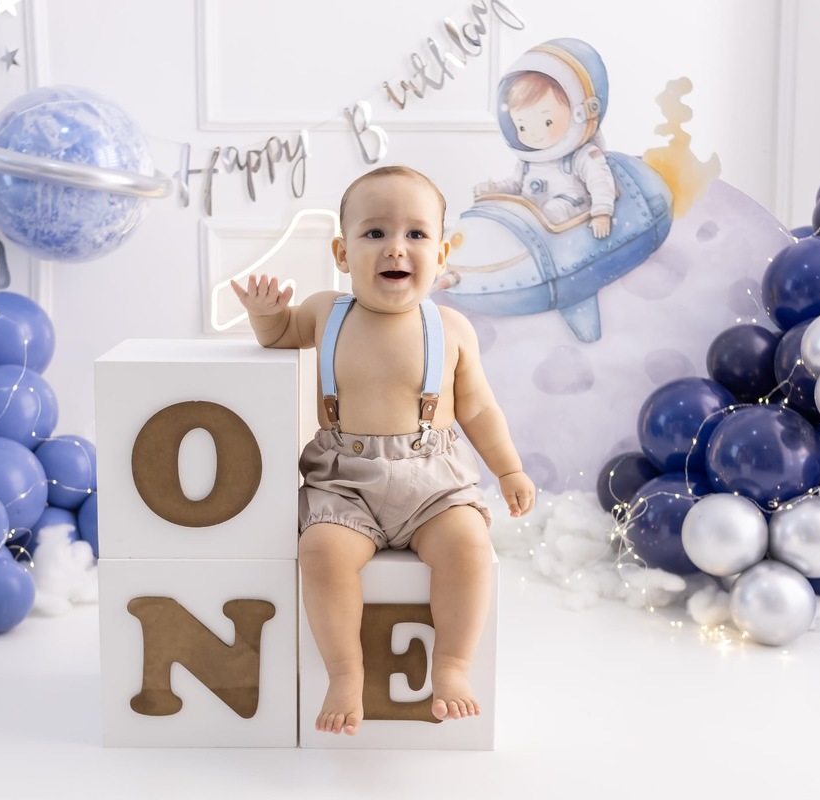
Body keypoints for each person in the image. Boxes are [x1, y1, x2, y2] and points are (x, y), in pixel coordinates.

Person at [232, 165, 536, 736]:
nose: (396, 247)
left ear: (442, 253)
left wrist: (510, 468)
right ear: (342, 252)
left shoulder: (452, 328)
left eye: (416, 234)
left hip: (433, 484)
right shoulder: (326, 312)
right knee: (321, 552)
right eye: (374, 233)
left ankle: (451, 666)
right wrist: (266, 313)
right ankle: (346, 672)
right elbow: (276, 336)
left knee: (469, 548)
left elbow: (479, 410)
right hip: (345, 482)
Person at [474, 40, 616, 240]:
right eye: (522, 126)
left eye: (547, 121)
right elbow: (515, 184)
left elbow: (600, 182)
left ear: (581, 112)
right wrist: (495, 190)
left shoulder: (583, 156)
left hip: (568, 214)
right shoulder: (528, 161)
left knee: (552, 210)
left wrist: (602, 213)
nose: (533, 134)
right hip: (532, 219)